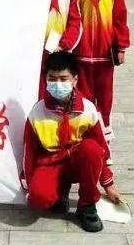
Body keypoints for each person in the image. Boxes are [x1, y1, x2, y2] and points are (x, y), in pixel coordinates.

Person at [23, 50, 122, 233]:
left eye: (63, 78)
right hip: (51, 163)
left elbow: (101, 149)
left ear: (75, 80)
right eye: (52, 79)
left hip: (79, 162)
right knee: (39, 198)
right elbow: (29, 154)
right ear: (45, 79)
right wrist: (29, 183)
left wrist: (108, 184)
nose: (57, 84)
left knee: (91, 149)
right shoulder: (37, 113)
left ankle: (86, 206)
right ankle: (60, 191)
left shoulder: (88, 110)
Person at [72, 0, 130, 138]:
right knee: (84, 97)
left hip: (105, 53)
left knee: (105, 97)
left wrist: (121, 47)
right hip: (81, 52)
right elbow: (70, 18)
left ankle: (105, 137)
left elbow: (120, 19)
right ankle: (87, 135)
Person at [25, 0, 82, 94]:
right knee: (36, 91)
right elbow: (22, 20)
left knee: (58, 89)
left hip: (60, 50)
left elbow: (75, 22)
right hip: (35, 52)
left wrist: (63, 45)